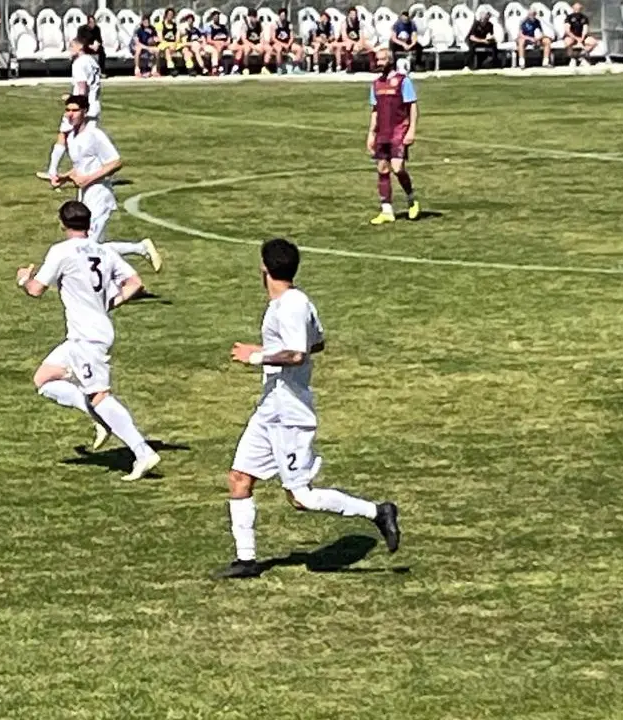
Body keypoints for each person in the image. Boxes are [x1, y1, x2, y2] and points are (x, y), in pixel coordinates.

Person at [214, 238, 401, 579]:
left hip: (290, 414)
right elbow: (317, 343)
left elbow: (299, 353)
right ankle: (246, 560)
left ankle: (377, 511)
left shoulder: (291, 306)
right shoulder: (293, 302)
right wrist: (270, 348)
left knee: (300, 498)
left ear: (264, 269)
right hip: (270, 408)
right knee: (239, 478)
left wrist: (256, 356)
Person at [16, 200, 161, 482]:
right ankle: (97, 416)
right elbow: (135, 282)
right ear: (89, 223)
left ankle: (142, 452)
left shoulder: (61, 251)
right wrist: (110, 302)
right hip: (87, 333)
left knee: (100, 395)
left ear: (62, 223)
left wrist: (24, 278)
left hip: (87, 337)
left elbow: (35, 290)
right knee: (43, 379)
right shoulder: (103, 250)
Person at [51, 95, 161, 271]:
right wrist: (64, 177)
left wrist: (88, 179)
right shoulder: (72, 137)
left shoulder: (95, 135)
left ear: (85, 112)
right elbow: (81, 167)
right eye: (68, 110)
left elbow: (115, 162)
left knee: (89, 246)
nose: (70, 114)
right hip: (84, 196)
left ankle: (139, 250)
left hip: (99, 195)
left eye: (75, 110)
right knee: (92, 246)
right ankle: (131, 260)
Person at [37, 36, 99, 182]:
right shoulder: (93, 61)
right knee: (88, 140)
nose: (70, 49)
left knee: (64, 135)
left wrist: (76, 102)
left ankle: (53, 172)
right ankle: (92, 172)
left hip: (80, 107)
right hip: (94, 105)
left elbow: (82, 85)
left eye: (72, 46)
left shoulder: (79, 63)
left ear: (80, 47)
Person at [368, 47, 419, 225]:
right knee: (382, 168)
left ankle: (411, 198)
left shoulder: (403, 81)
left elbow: (412, 106)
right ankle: (387, 210)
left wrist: (412, 129)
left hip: (398, 130)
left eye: (382, 60)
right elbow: (374, 110)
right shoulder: (376, 84)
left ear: (390, 61)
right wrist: (371, 134)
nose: (379, 63)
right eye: (377, 60)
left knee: (398, 168)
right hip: (383, 131)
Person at [267, 8, 302, 74]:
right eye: (282, 15)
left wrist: (288, 44)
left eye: (285, 15)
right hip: (276, 43)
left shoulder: (289, 24)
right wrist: (283, 45)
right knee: (279, 49)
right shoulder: (274, 24)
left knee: (299, 48)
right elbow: (273, 38)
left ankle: (296, 67)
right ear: (279, 15)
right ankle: (279, 68)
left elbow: (292, 37)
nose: (283, 17)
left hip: (287, 43)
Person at [341, 6, 375, 73]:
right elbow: (344, 37)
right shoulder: (344, 23)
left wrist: (359, 43)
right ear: (349, 14)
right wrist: (354, 43)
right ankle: (349, 67)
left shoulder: (360, 23)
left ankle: (372, 66)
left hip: (359, 41)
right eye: (351, 14)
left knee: (371, 47)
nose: (353, 16)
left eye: (354, 14)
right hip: (349, 41)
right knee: (349, 45)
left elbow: (362, 36)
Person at [156, 7, 182, 75]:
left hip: (174, 44)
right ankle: (171, 68)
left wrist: (175, 44)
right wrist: (168, 44)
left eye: (172, 14)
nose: (170, 16)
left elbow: (177, 37)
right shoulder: (160, 24)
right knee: (167, 49)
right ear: (166, 15)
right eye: (169, 14)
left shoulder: (175, 25)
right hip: (164, 43)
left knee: (184, 48)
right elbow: (160, 38)